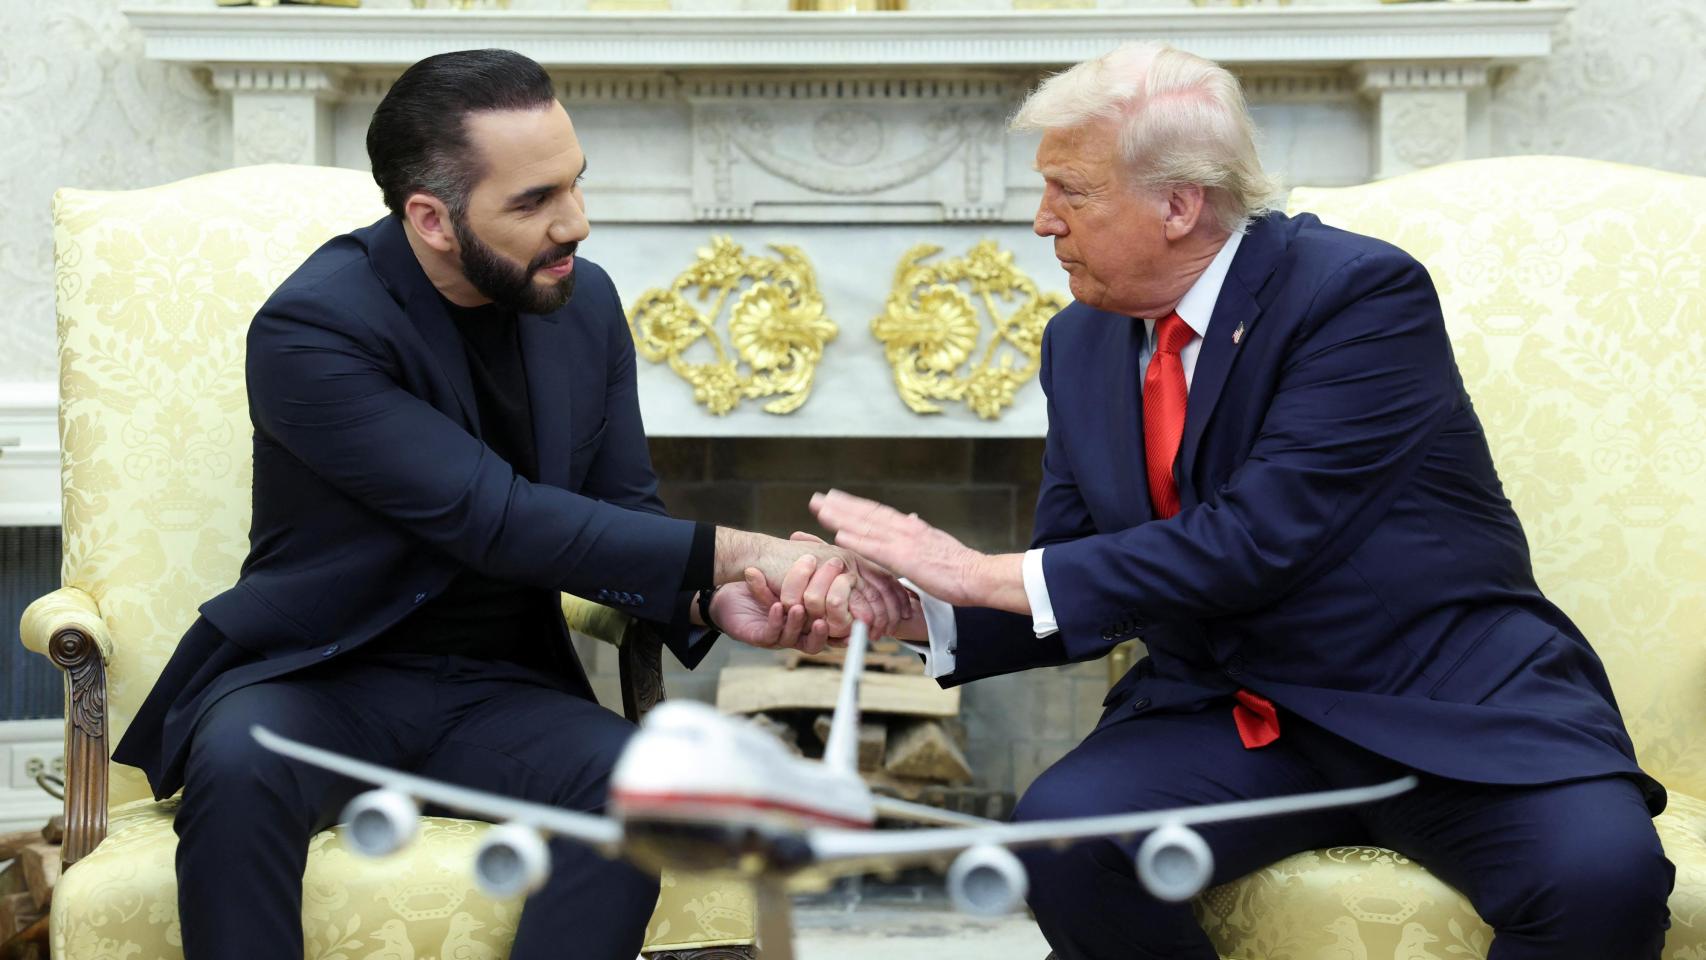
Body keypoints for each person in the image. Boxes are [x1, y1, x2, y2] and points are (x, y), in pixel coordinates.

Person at [809, 41, 1674, 960]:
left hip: (1438, 698)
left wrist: (984, 571)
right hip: (1232, 713)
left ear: (1179, 204)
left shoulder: (1356, 295)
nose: (1042, 222)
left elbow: (1258, 538)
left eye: (1072, 190)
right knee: (1061, 841)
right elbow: (1083, 577)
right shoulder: (1082, 341)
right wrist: (921, 609)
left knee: (1599, 881)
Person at [112, 48, 908, 960]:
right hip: (317, 679)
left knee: (633, 785)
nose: (575, 222)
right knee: (240, 767)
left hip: (500, 687)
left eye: (573, 184)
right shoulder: (314, 328)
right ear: (431, 219)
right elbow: (493, 518)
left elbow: (622, 510)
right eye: (533, 203)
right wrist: (741, 551)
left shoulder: (585, 302)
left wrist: (704, 598)